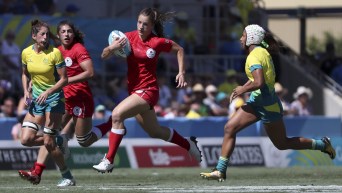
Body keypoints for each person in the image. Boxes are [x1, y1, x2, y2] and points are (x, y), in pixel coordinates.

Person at [199, 24, 336, 182]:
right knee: (230, 128)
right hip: (258, 101)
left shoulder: (254, 55)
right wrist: (246, 89)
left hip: (268, 105)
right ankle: (220, 170)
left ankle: (322, 144)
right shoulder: (261, 51)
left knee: (282, 143)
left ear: (251, 38)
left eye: (243, 35)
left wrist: (241, 89)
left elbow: (259, 82)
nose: (240, 38)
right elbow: (259, 82)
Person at [93, 7, 202, 173]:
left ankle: (108, 160)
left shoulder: (156, 42)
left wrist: (181, 72)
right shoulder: (126, 38)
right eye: (139, 22)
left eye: (145, 24)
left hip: (149, 90)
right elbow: (103, 56)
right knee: (155, 131)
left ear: (152, 26)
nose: (141, 27)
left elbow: (180, 49)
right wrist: (112, 47)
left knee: (116, 114)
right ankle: (188, 144)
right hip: (134, 92)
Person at [17, 20, 113, 186]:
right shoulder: (55, 50)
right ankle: (38, 171)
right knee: (49, 137)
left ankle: (112, 123)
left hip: (79, 98)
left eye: (69, 31)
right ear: (58, 35)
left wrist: (66, 82)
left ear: (73, 34)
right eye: (63, 32)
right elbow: (39, 70)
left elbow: (90, 72)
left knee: (83, 141)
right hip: (61, 99)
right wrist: (33, 83)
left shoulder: (78, 49)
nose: (67, 34)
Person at [18, 19, 72, 185]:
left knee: (48, 142)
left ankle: (67, 176)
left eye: (47, 34)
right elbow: (25, 74)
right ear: (34, 36)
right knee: (26, 140)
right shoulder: (26, 53)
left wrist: (48, 91)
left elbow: (64, 79)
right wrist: (26, 91)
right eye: (42, 34)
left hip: (54, 99)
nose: (45, 37)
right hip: (36, 101)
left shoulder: (55, 53)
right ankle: (58, 139)